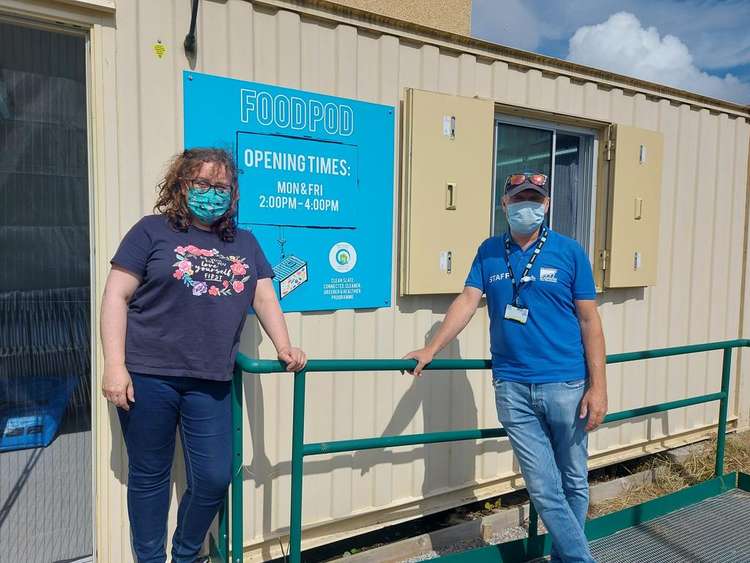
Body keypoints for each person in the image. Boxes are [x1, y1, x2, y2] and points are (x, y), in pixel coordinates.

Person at [100, 148, 307, 563]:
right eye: (203, 184)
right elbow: (115, 296)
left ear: (233, 195)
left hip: (210, 379)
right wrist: (114, 365)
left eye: (223, 187)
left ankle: (186, 553)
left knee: (214, 476)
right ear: (181, 185)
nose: (213, 194)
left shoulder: (244, 242)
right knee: (150, 477)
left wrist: (284, 344)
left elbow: (265, 297)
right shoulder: (150, 232)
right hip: (147, 375)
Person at [405, 172, 607, 563]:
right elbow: (467, 300)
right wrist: (430, 348)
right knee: (543, 485)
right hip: (512, 387)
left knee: (574, 480)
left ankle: (567, 558)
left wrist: (598, 387)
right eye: (518, 199)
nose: (525, 206)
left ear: (546, 205)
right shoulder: (488, 251)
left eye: (534, 199)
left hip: (567, 384)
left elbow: (590, 322)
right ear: (504, 204)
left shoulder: (570, 252)